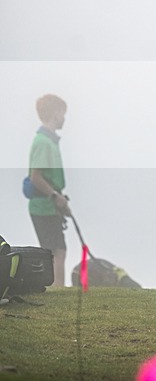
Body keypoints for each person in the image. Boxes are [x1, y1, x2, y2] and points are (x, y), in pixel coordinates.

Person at [28, 94, 71, 287]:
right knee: (55, 251)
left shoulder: (50, 141)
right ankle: (57, 291)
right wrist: (54, 196)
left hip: (51, 204)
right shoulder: (43, 142)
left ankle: (57, 289)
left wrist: (60, 200)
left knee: (57, 249)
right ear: (55, 113)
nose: (64, 118)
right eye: (62, 113)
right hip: (43, 205)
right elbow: (35, 177)